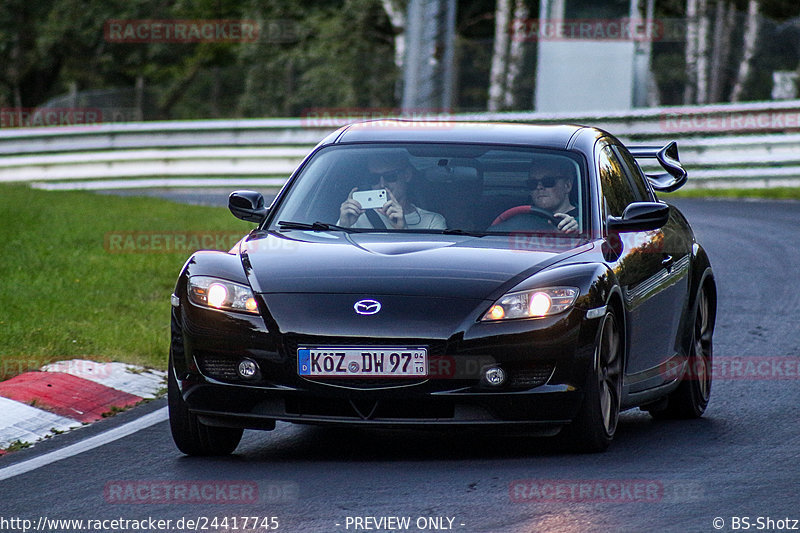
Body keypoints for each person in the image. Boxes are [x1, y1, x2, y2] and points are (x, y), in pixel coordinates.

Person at [338, 153, 446, 229]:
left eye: (390, 176)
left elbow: (431, 261)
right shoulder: (356, 217)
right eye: (374, 178)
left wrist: (403, 229)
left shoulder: (432, 222)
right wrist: (343, 226)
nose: (382, 184)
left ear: (407, 175)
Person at [528, 159, 580, 234]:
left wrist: (575, 232)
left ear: (567, 185)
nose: (539, 187)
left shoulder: (587, 221)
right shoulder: (522, 220)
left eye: (548, 181)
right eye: (533, 183)